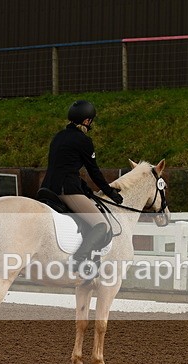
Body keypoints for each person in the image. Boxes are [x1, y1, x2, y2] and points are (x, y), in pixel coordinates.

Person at [41, 100, 123, 268]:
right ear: (87, 121)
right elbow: (94, 171)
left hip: (47, 187)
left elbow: (63, 165)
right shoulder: (83, 140)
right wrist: (110, 192)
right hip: (66, 190)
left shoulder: (58, 136)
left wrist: (82, 186)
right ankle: (79, 259)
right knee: (102, 225)